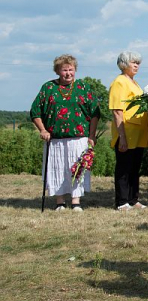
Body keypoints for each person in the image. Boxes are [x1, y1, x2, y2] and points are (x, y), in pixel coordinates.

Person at [30, 54, 100, 211]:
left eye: (71, 69)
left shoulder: (83, 87)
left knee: (78, 169)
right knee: (58, 169)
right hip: (55, 139)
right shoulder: (48, 88)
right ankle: (60, 201)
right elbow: (35, 111)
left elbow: (95, 113)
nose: (68, 73)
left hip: (79, 138)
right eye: (64, 70)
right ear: (57, 71)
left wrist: (92, 135)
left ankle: (76, 201)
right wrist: (43, 130)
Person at [109, 51, 148, 211]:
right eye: (133, 62)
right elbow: (117, 111)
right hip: (127, 132)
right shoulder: (119, 82)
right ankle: (121, 201)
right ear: (124, 64)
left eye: (138, 63)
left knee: (135, 167)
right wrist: (122, 137)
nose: (136, 65)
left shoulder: (134, 82)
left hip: (139, 133)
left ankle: (133, 199)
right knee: (124, 168)